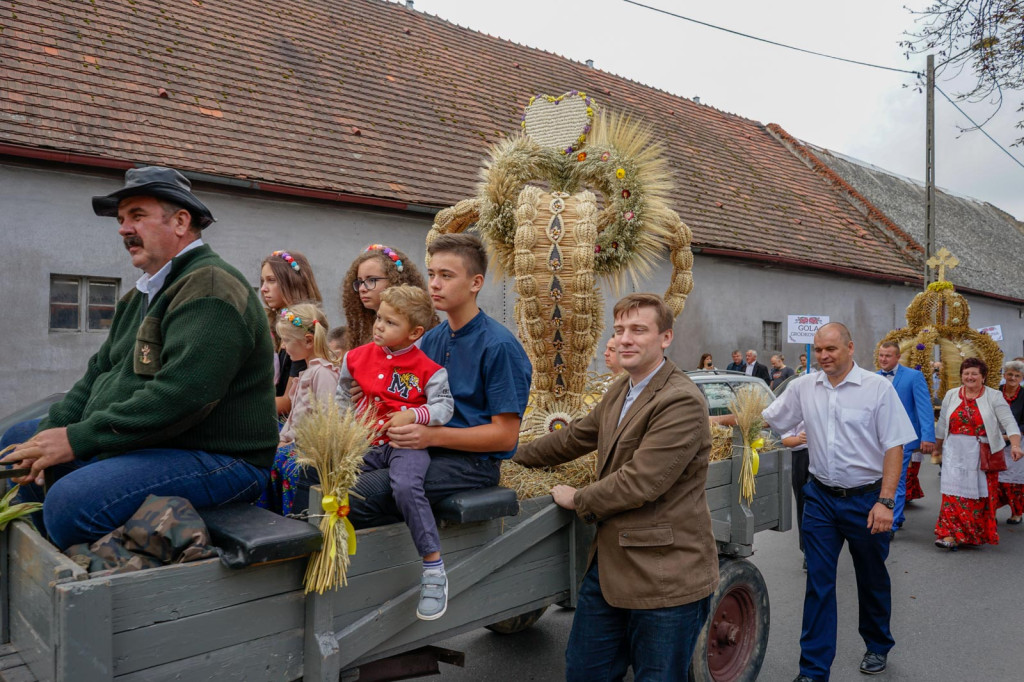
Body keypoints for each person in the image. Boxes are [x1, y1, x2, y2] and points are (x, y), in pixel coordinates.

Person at [0, 166, 277, 549]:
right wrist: (56, 430)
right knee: (18, 443)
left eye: (137, 216)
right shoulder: (142, 296)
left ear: (181, 222)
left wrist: (78, 439)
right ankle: (34, 555)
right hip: (164, 443)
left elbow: (181, 396)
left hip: (221, 458)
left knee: (70, 502)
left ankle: (65, 578)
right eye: (121, 219)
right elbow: (98, 373)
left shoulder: (211, 288)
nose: (123, 228)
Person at [514, 293, 718, 681]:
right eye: (619, 329)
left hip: (664, 575)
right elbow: (573, 438)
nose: (625, 338)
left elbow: (641, 481)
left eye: (638, 330)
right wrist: (512, 455)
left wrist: (578, 498)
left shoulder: (681, 400)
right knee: (585, 672)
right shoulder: (621, 391)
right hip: (609, 569)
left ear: (665, 338)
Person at [346, 234, 531, 597]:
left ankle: (388, 591)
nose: (434, 283)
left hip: (471, 465)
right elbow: (402, 397)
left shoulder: (499, 347)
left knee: (360, 495)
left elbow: (505, 437)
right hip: (422, 452)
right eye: (431, 273)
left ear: (475, 283)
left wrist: (430, 436)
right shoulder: (430, 340)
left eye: (446, 275)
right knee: (324, 474)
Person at [762, 322, 916, 682]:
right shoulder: (804, 386)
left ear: (850, 347)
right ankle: (813, 670)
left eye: (830, 349)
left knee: (871, 576)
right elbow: (767, 419)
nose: (823, 356)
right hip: (819, 498)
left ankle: (877, 644)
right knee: (818, 582)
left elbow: (895, 445)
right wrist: (708, 421)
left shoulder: (877, 388)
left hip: (866, 499)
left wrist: (886, 502)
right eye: (818, 350)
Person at [336, 285, 455, 620]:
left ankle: (433, 567)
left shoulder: (428, 369)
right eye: (379, 318)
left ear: (414, 332)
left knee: (405, 486)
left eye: (390, 322)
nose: (379, 326)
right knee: (331, 478)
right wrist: (341, 429)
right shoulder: (355, 357)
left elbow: (445, 407)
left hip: (405, 444)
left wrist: (416, 415)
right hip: (366, 441)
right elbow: (341, 396)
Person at [259, 303, 341, 516]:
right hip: (295, 443)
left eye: (286, 340)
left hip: (309, 449)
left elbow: (325, 420)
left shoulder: (323, 374)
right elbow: (295, 416)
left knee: (283, 462)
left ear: (308, 341)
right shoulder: (308, 372)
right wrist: (283, 437)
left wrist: (291, 442)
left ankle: (290, 519)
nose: (283, 347)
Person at [933, 358, 1022, 550]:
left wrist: (1015, 445)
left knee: (977, 498)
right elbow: (942, 424)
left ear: (983, 377)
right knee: (952, 495)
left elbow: (1009, 423)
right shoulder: (951, 394)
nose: (969, 377)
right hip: (954, 452)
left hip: (982, 454)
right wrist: (937, 446)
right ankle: (948, 534)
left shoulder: (994, 396)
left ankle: (971, 534)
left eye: (974, 373)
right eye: (966, 373)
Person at [875, 341, 936, 534]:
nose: (883, 359)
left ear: (897, 357)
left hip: (903, 437)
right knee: (880, 478)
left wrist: (927, 436)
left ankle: (891, 523)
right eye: (881, 355)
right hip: (878, 439)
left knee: (897, 478)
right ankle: (897, 515)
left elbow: (924, 407)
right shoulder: (873, 378)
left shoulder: (913, 376)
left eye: (888, 356)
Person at [259, 249, 322, 415]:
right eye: (262, 281)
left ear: (292, 282)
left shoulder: (303, 330)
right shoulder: (271, 323)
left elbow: (288, 401)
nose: (263, 289)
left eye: (271, 280)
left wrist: (242, 407)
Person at [339, 244, 433, 352]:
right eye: (360, 281)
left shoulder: (421, 339)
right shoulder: (365, 333)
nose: (362, 288)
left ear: (395, 280)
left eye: (372, 280)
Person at [996, 360, 1024, 524]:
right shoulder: (996, 392)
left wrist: (1011, 435)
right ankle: (991, 510)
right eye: (1010, 374)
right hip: (995, 439)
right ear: (1004, 375)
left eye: (1017, 375)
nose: (1013, 378)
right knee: (993, 478)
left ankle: (1016, 512)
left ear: (1021, 378)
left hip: (1017, 441)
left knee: (1013, 482)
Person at [781, 423, 809, 563]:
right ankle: (807, 551)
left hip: (822, 455)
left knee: (821, 503)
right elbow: (785, 440)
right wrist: (800, 439)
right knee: (804, 505)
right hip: (800, 457)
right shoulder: (794, 408)